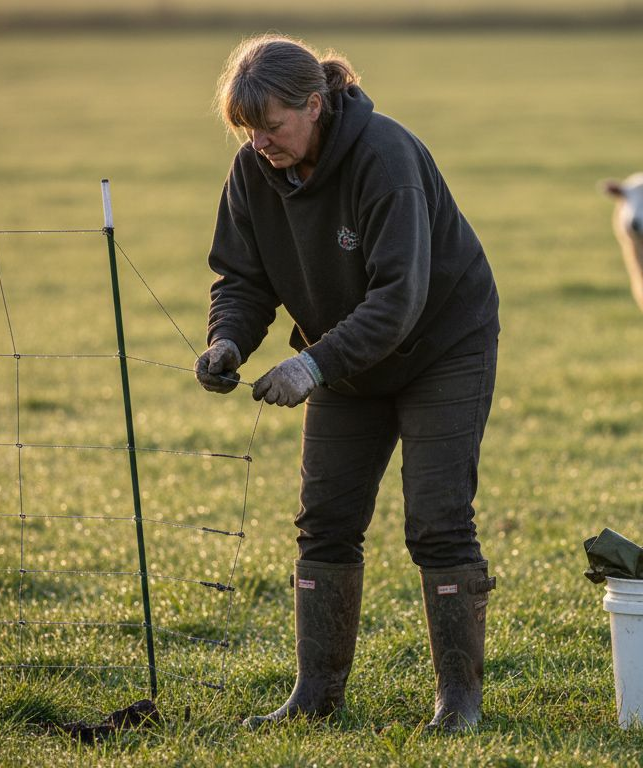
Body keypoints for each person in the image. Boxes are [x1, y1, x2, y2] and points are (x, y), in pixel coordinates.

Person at [195, 34, 500, 732]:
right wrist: (228, 340)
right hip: (345, 357)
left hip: (441, 347)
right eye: (246, 129)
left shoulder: (385, 158)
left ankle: (459, 704)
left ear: (315, 103)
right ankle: (315, 698)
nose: (258, 142)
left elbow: (399, 298)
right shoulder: (252, 173)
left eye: (271, 126)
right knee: (325, 522)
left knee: (438, 521)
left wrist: (310, 365)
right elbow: (241, 278)